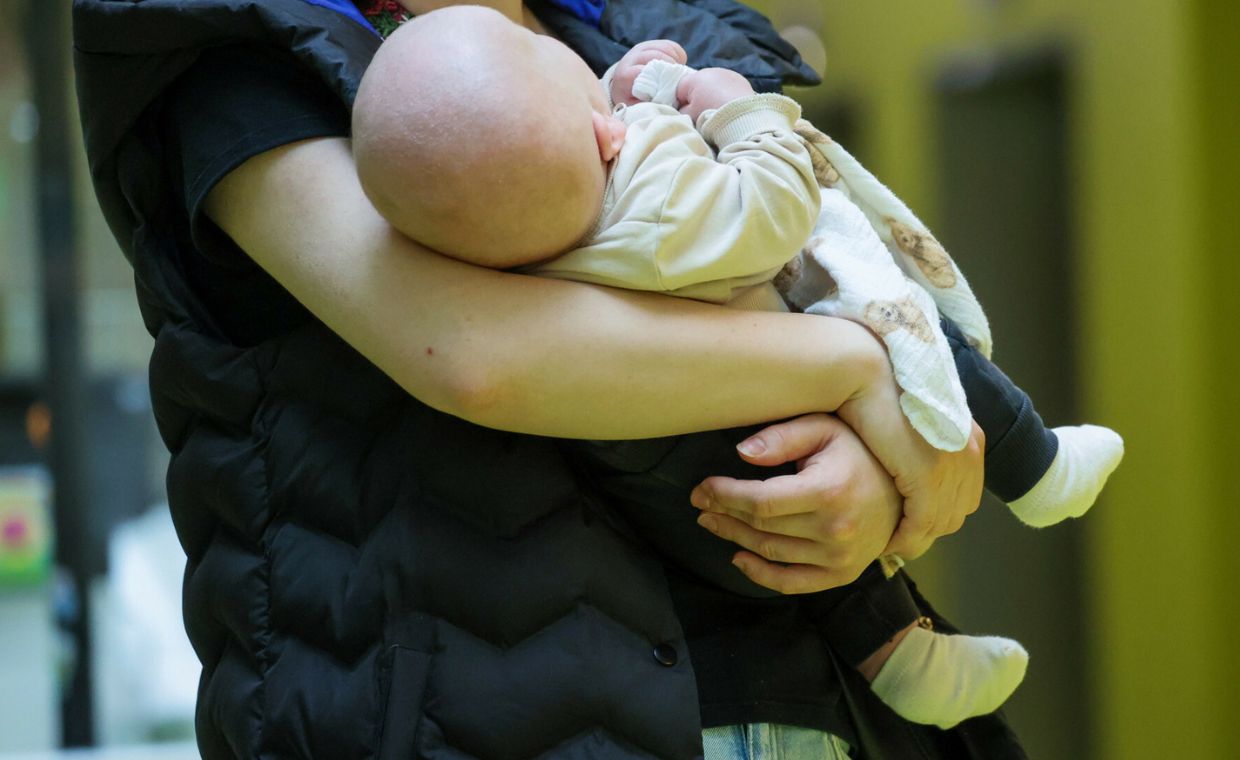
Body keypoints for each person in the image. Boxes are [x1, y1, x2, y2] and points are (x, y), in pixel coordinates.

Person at [72, 0, 1026, 756]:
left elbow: (808, 258)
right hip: (467, 710)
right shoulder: (247, 44)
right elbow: (472, 352)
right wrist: (862, 367)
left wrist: (868, 475)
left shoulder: (639, 27)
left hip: (804, 696)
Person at [350, 5, 1122, 729]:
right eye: (545, 65)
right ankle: (1037, 464)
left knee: (800, 557)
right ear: (604, 137)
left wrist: (621, 88)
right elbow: (767, 211)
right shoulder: (650, 202)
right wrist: (740, 113)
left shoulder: (534, 237)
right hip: (690, 642)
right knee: (919, 343)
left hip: (672, 488)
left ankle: (904, 654)